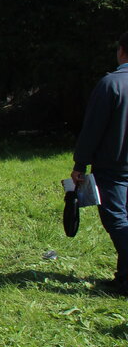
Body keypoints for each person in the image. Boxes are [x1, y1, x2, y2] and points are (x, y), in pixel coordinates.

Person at [71, 31, 128, 296]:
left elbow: (93, 129)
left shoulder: (111, 84)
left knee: (116, 220)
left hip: (113, 166)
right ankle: (123, 278)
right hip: (115, 165)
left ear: (121, 51)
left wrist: (80, 164)